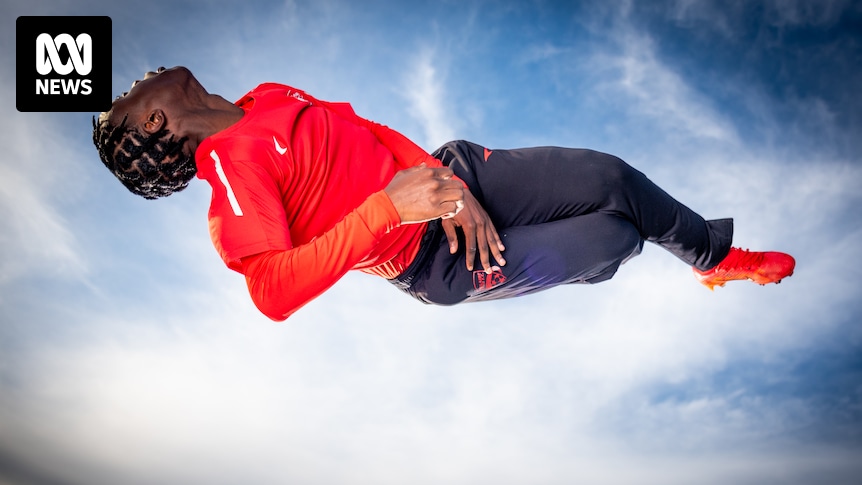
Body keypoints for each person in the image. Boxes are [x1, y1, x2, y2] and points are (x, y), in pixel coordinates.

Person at [92, 66, 795, 321]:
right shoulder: (230, 180)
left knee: (611, 177)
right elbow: (271, 290)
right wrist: (392, 208)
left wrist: (448, 185)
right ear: (156, 120)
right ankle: (603, 253)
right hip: (431, 260)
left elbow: (366, 130)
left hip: (451, 176)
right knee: (614, 235)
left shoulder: (265, 96)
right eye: (127, 99)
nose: (133, 84)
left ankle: (713, 257)